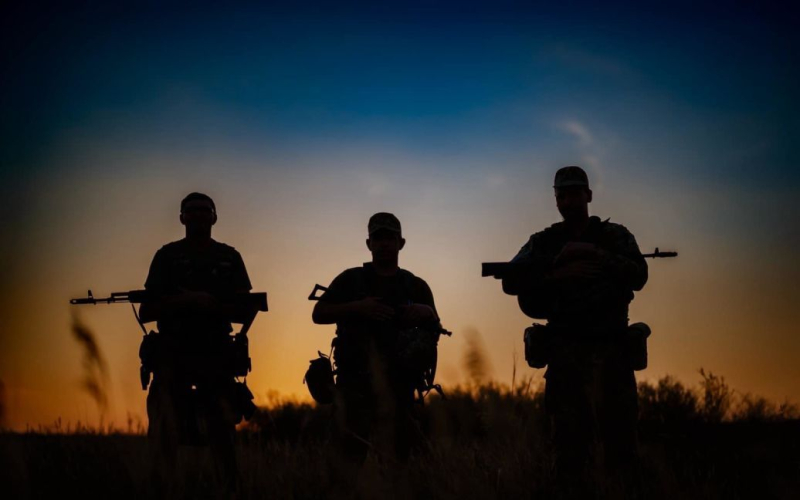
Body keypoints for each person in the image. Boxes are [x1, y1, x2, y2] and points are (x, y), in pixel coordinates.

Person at [502, 166, 648, 491]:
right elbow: (510, 278)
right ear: (556, 200)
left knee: (621, 449)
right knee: (569, 451)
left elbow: (639, 274)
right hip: (566, 354)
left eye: (574, 194)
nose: (568, 201)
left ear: (589, 195)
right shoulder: (544, 241)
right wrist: (556, 273)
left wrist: (594, 254)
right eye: (561, 195)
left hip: (612, 351)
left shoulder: (614, 236)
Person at [138, 192, 254, 494]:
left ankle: (229, 490)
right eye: (191, 211)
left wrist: (212, 306)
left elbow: (246, 308)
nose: (199, 215)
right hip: (172, 355)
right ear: (181, 218)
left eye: (204, 210)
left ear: (214, 217)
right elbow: (146, 310)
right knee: (164, 432)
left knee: (222, 435)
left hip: (216, 356)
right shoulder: (166, 256)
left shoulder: (229, 257)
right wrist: (186, 301)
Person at [312, 213, 442, 470]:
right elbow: (319, 313)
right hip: (354, 385)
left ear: (401, 243)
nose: (384, 244)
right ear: (368, 243)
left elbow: (435, 330)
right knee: (344, 467)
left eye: (390, 238)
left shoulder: (415, 285)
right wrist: (358, 307)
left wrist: (426, 312)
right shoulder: (350, 280)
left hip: (400, 388)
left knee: (406, 467)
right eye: (378, 238)